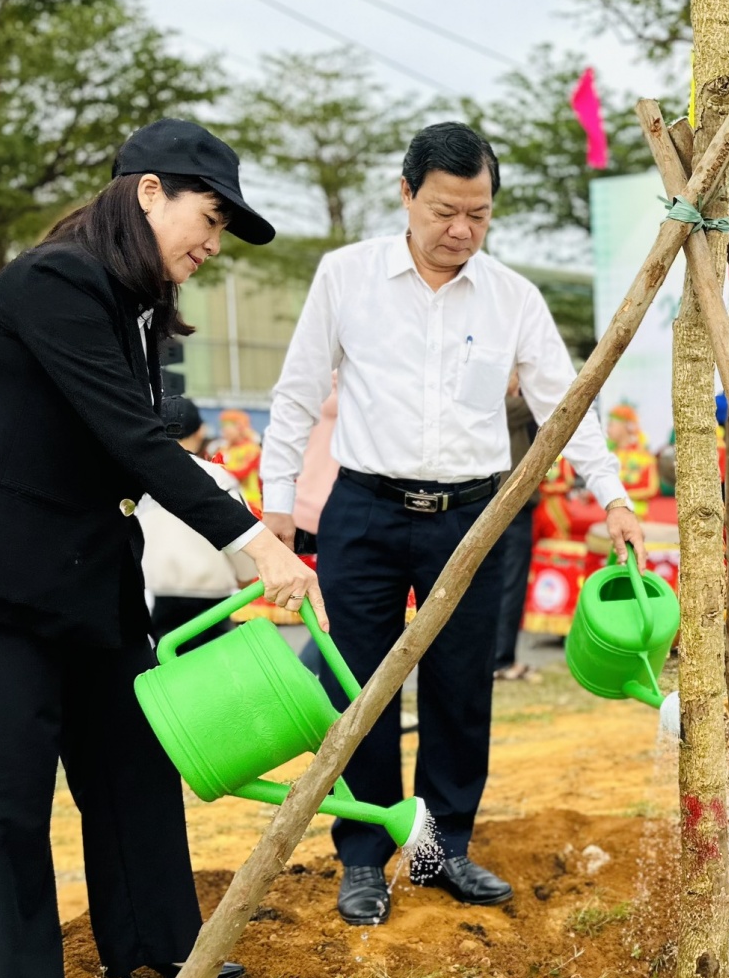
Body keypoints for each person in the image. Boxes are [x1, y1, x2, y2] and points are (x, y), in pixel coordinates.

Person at [0, 119, 321, 978]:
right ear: (148, 192)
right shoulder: (53, 283)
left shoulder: (130, 303)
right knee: (8, 787)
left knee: (132, 764)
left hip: (91, 574)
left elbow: (129, 436)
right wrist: (256, 543)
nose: (213, 244)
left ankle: (160, 941)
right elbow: (131, 440)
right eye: (209, 219)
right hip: (0, 579)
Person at [261, 122, 644, 927]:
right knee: (359, 688)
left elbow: (566, 406)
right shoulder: (346, 277)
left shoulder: (512, 297)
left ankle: (441, 850)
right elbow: (296, 394)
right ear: (406, 196)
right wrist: (277, 505)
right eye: (444, 211)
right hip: (362, 511)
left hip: (472, 517)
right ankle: (365, 856)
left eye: (478, 212)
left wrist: (611, 496)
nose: (461, 230)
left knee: (461, 689)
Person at [140, 396, 257, 649]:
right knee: (211, 668)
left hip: (154, 591)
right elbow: (242, 532)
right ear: (201, 429)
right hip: (211, 592)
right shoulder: (216, 475)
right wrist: (246, 574)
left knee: (164, 664)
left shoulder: (138, 478)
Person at [493, 373, 541, 683]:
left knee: (499, 585)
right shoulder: (506, 407)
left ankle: (497, 657)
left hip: (496, 507)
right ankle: (502, 659)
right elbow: (546, 403)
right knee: (510, 586)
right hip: (511, 508)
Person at [214, 408, 263, 512]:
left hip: (250, 504)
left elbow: (241, 473)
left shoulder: (252, 449)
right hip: (229, 502)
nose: (224, 431)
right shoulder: (224, 449)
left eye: (227, 427)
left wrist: (219, 469)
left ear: (240, 427)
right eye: (222, 427)